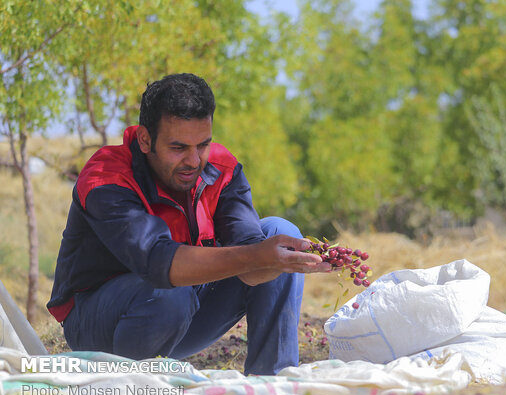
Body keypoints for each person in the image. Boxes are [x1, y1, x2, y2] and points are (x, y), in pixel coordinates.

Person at [47, 73, 331, 375]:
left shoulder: (222, 168)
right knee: (170, 291)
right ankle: (137, 393)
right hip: (101, 322)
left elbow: (251, 259)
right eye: (178, 148)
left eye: (203, 145)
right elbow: (159, 263)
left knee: (279, 233)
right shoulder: (107, 178)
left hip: (184, 311)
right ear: (145, 140)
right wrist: (257, 256)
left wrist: (289, 259)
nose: (194, 161)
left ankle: (271, 386)